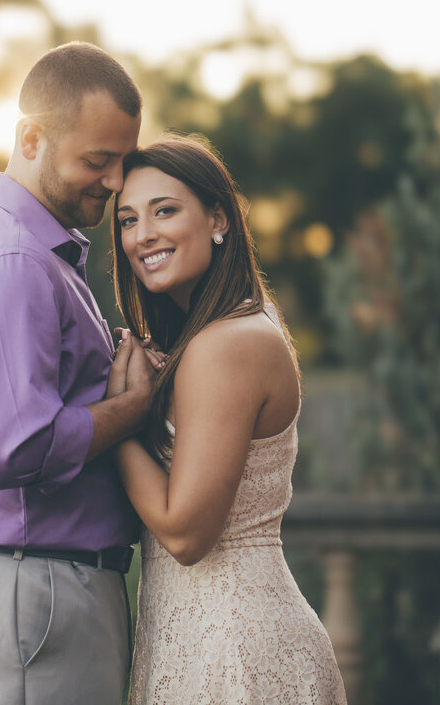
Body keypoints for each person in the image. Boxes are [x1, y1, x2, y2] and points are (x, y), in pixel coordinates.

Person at [0, 42, 155, 704]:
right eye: (97, 161)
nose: (113, 182)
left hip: (33, 594)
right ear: (30, 138)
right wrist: (130, 409)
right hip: (26, 594)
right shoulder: (11, 262)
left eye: (123, 162)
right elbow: (11, 448)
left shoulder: (35, 254)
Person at [106, 135, 347, 703]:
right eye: (126, 220)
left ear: (219, 219)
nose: (143, 235)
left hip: (234, 651)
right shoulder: (234, 329)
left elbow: (186, 532)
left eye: (165, 210)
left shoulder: (226, 344)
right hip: (204, 634)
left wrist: (118, 421)